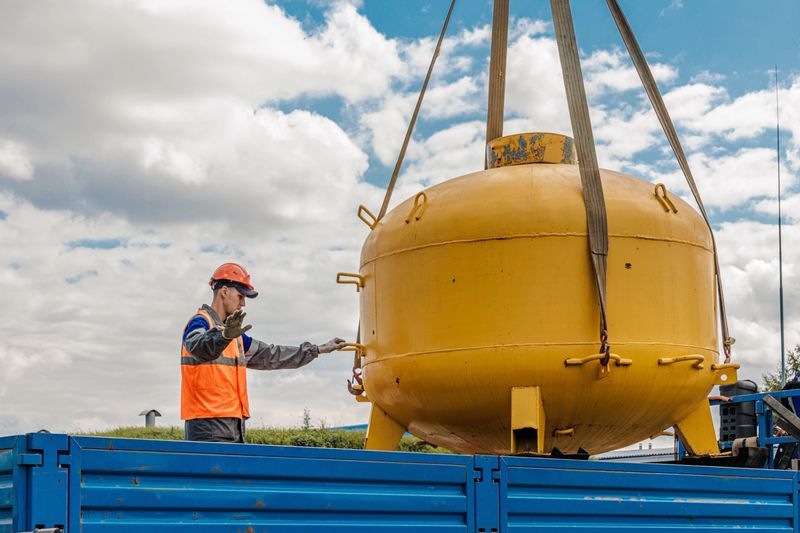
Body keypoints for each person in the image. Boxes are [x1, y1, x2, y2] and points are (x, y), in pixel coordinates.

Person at [181, 262, 346, 443]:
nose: (243, 303)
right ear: (225, 291)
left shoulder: (235, 336)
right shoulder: (200, 323)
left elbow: (270, 355)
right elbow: (198, 347)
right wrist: (224, 335)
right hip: (206, 425)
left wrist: (316, 350)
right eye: (240, 296)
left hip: (234, 425)